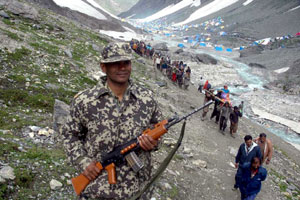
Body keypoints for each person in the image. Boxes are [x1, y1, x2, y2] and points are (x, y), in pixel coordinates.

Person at [61, 42, 163, 200]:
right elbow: (70, 135)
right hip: (96, 191)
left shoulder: (146, 98)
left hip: (138, 191)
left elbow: (157, 129)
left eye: (126, 62)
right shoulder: (85, 101)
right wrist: (83, 162)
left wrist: (153, 143)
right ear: (103, 67)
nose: (122, 67)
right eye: (115, 63)